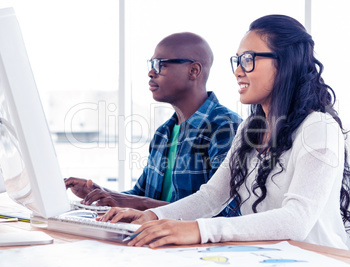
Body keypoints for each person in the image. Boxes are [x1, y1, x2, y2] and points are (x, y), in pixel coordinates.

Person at [99, 14, 350, 250]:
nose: (237, 71)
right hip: (263, 258)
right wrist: (153, 216)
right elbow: (212, 196)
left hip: (316, 260)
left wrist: (198, 229)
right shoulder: (250, 129)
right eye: (237, 60)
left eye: (248, 60)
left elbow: (296, 220)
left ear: (285, 63)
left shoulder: (319, 128)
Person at [65, 32, 242, 215]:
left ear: (193, 71)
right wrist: (99, 193)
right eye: (151, 65)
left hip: (192, 243)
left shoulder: (225, 127)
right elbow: (139, 196)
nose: (151, 72)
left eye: (160, 65)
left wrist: (135, 202)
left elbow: (221, 210)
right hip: (152, 238)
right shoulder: (163, 133)